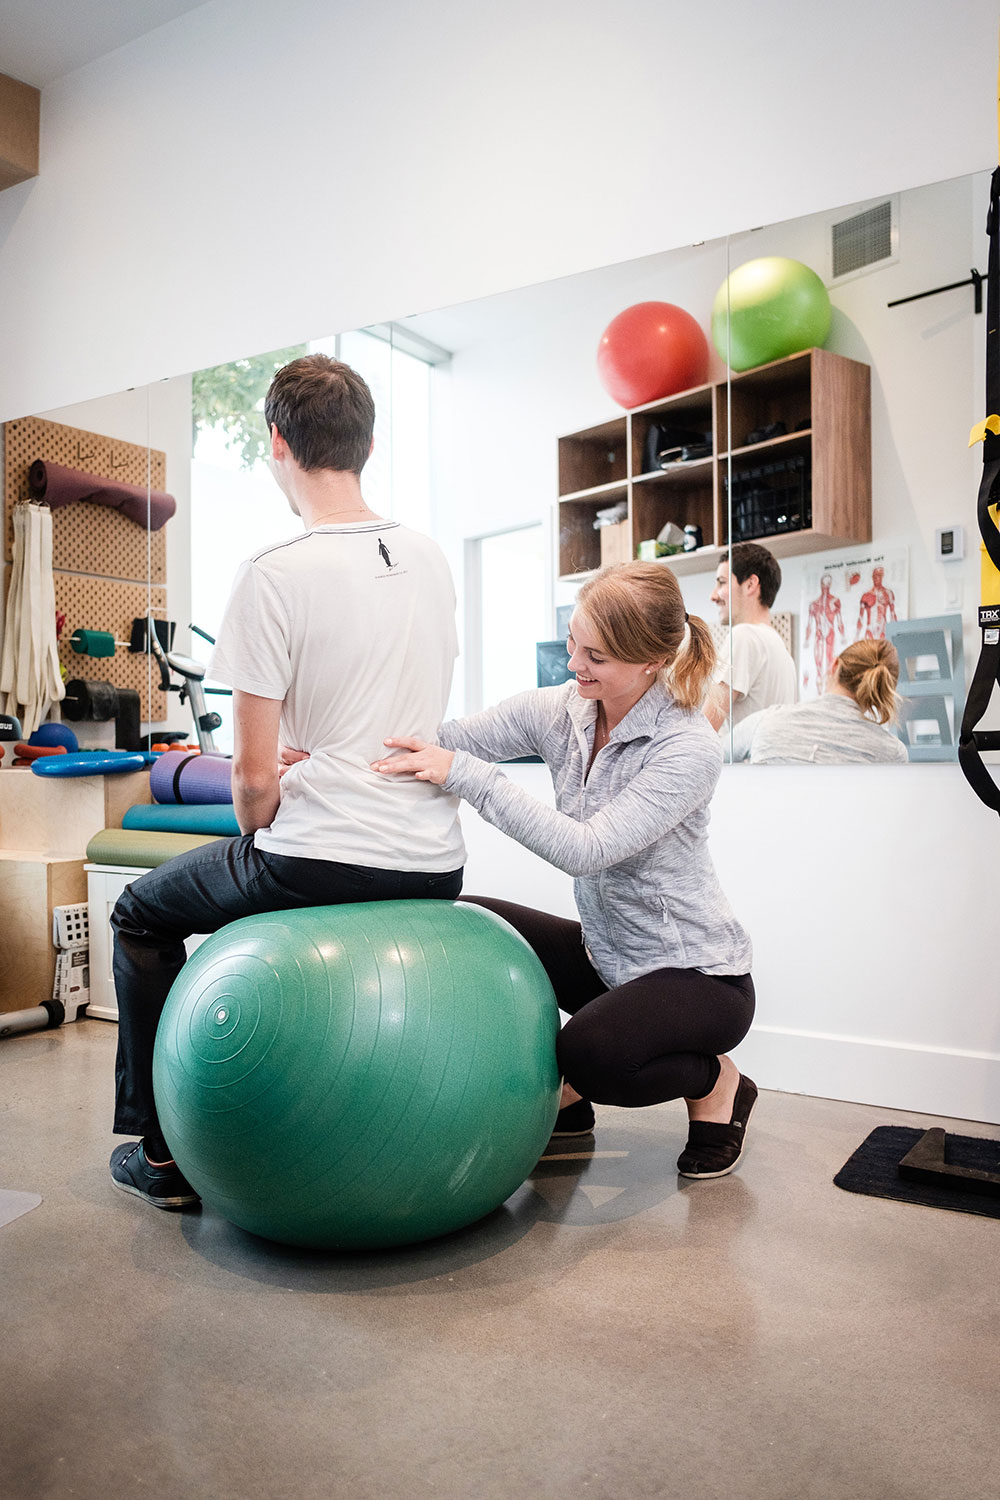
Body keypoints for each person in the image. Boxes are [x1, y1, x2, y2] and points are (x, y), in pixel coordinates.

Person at [109, 354, 465, 1210]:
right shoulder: (429, 556)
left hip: (322, 857)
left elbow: (254, 786)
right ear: (368, 443)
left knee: (137, 913)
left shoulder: (273, 571)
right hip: (435, 857)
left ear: (277, 442)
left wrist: (277, 795)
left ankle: (160, 1155)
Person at [372, 561, 758, 1180]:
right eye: (574, 641)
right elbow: (450, 737)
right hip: (610, 959)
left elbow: (586, 849)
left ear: (650, 663)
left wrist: (464, 776)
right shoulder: (565, 710)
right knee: (472, 923)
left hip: (697, 977)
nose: (573, 663)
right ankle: (573, 1105)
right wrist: (330, 751)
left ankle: (717, 1083)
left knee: (588, 1051)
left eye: (595, 657)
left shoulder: (687, 748)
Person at [731, 638, 908, 765]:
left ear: (835, 665)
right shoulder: (892, 753)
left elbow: (711, 754)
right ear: (884, 689)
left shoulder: (766, 721)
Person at [705, 541, 797, 732]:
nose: (713, 596)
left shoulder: (743, 636)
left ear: (750, 584)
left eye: (721, 582)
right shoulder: (780, 648)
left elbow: (704, 729)